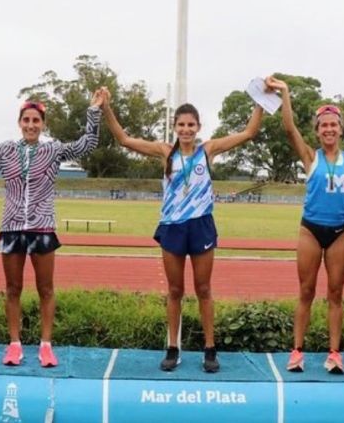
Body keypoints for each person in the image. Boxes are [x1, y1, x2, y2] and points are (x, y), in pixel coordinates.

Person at [101, 88, 263, 373]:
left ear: (198, 127)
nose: (186, 129)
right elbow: (124, 139)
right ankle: (173, 348)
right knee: (175, 290)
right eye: (181, 125)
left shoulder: (208, 150)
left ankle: (210, 349)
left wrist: (261, 101)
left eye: (191, 125)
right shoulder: (165, 152)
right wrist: (106, 108)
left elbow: (249, 132)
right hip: (173, 226)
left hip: (200, 225)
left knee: (203, 289)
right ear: (174, 127)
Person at [0, 90, 104, 367]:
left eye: (36, 120)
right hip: (11, 227)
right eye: (26, 120)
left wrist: (94, 110)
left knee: (46, 289)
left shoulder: (53, 150)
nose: (31, 125)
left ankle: (45, 345)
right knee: (13, 288)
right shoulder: (5, 150)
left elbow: (87, 145)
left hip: (42, 228)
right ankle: (14, 344)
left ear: (43, 124)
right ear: (20, 123)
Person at [266, 76, 344, 374]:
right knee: (306, 291)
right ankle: (297, 350)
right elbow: (289, 128)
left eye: (333, 124)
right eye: (323, 125)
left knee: (336, 294)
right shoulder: (309, 156)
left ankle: (334, 353)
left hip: (340, 232)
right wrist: (285, 92)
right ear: (317, 131)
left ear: (340, 129)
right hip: (311, 230)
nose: (329, 129)